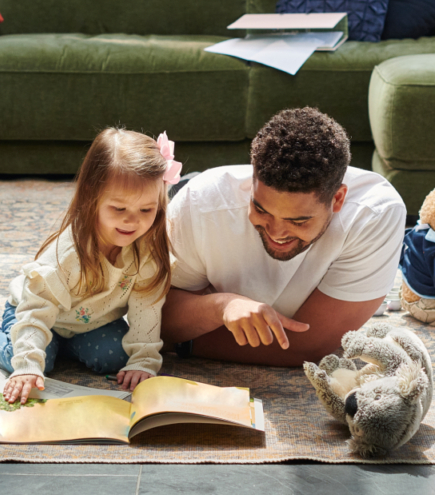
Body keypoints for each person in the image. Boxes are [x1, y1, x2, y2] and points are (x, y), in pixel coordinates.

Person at [161, 107, 406, 366]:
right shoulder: (200, 203)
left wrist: (183, 342)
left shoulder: (375, 215)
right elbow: (155, 318)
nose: (276, 232)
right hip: (192, 195)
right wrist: (222, 306)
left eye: (298, 221)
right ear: (252, 180)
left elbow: (310, 347)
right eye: (260, 209)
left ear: (338, 199)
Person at [0, 128, 183, 403]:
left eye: (146, 210)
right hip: (38, 312)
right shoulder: (66, 254)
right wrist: (28, 364)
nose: (132, 221)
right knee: (35, 363)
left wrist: (143, 361)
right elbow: (36, 311)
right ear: (93, 195)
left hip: (90, 322)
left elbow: (146, 308)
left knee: (118, 357)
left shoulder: (147, 249)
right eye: (119, 208)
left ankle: (62, 347)